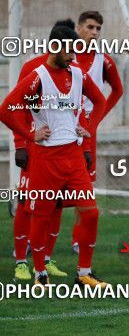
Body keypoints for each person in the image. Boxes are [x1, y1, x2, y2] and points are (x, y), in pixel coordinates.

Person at [0, 26, 108, 287]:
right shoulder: (37, 76)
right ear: (55, 48)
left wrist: (89, 130)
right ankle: (40, 274)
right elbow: (6, 110)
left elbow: (100, 101)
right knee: (41, 215)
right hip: (45, 158)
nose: (73, 56)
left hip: (72, 155)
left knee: (91, 212)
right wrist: (29, 134)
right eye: (69, 50)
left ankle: (84, 273)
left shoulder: (78, 74)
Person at [11, 18, 77, 281]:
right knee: (29, 204)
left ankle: (46, 259)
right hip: (35, 149)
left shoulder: (73, 71)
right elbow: (17, 108)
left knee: (57, 205)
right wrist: (20, 143)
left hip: (63, 151)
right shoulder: (32, 68)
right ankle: (20, 262)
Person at [71, 10, 124, 254]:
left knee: (83, 186)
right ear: (79, 28)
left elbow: (117, 90)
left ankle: (77, 237)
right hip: (60, 127)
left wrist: (98, 117)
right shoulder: (64, 55)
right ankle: (32, 239)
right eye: (90, 27)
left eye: (98, 29)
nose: (94, 32)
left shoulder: (104, 60)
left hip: (87, 132)